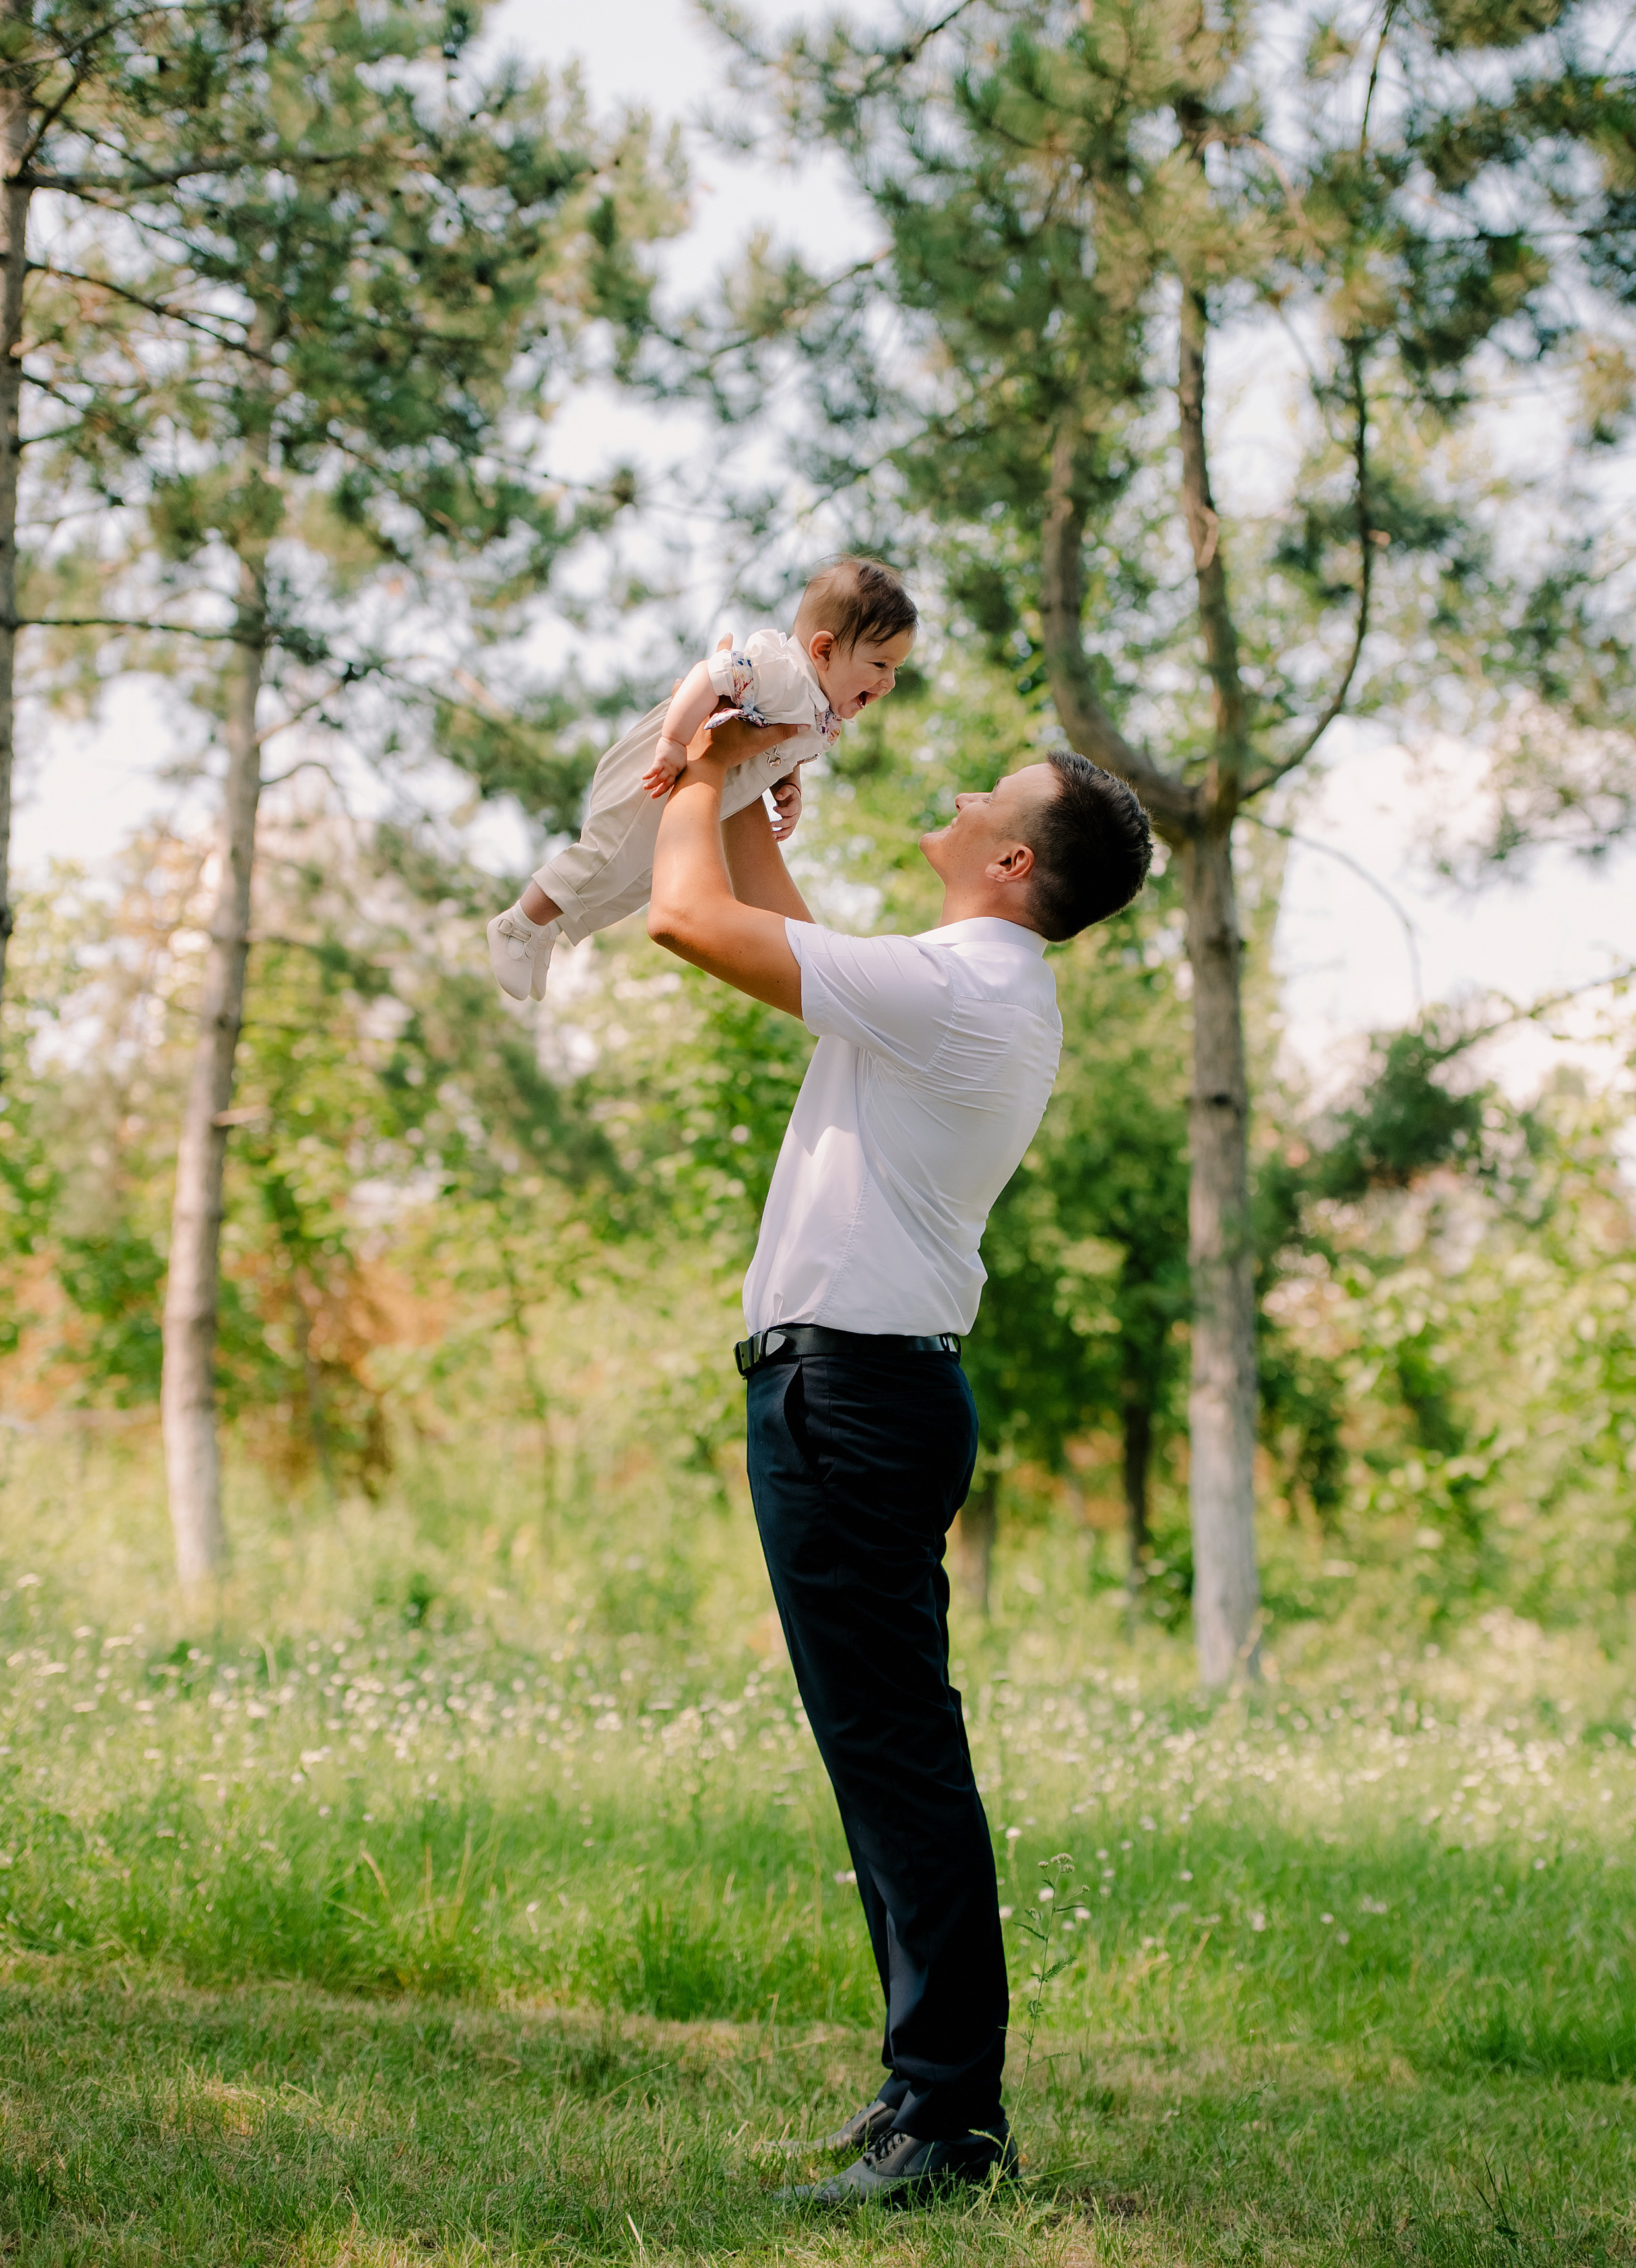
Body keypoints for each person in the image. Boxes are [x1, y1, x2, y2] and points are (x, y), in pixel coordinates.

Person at [643, 710, 1154, 2207]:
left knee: (897, 1762)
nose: (962, 787)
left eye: (992, 793)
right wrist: (743, 797)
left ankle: (948, 2124)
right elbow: (769, 933)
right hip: (859, 1399)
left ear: (1007, 862)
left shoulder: (963, 991)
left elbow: (686, 921)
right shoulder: (948, 991)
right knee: (885, 1757)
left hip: (854, 1404)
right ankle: (920, 2099)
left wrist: (688, 768)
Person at [484, 556, 917, 1003]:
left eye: (896, 669)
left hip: (698, 792)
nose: (889, 682)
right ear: (823, 651)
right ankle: (518, 924)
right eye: (881, 664)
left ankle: (545, 930)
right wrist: (673, 741)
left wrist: (790, 786)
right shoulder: (780, 672)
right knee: (608, 857)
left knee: (635, 880)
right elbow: (709, 675)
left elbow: (785, 748)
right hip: (661, 772)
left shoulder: (820, 712)